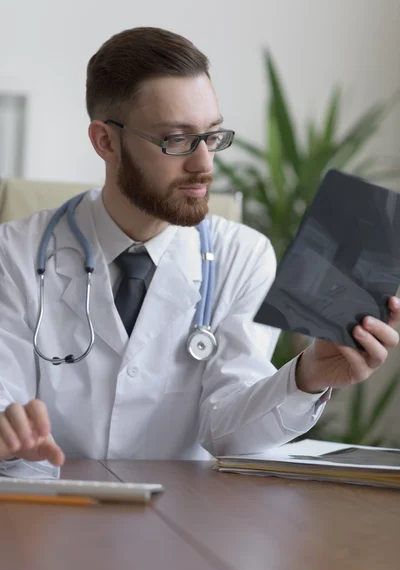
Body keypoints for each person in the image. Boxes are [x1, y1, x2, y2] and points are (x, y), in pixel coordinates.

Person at [0, 27, 398, 479]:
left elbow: (224, 431)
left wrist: (308, 376)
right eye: (177, 140)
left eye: (212, 136)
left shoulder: (242, 257)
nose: (205, 164)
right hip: (48, 516)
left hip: (187, 521)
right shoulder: (13, 254)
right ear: (106, 142)